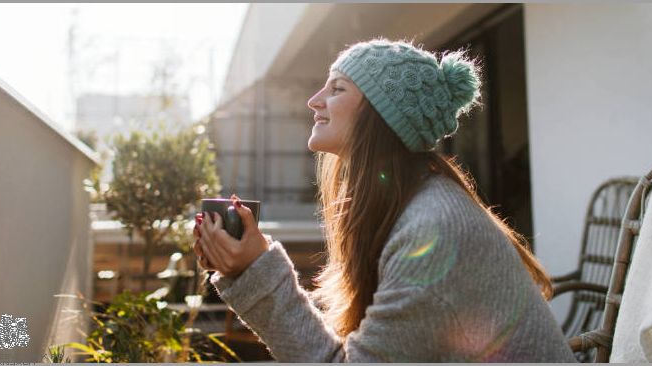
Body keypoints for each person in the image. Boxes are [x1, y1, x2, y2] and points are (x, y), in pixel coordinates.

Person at [193, 38, 575, 362]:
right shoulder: (404, 207)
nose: (314, 100)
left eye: (337, 88)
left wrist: (256, 269)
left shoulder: (434, 232)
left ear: (380, 116)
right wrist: (249, 269)